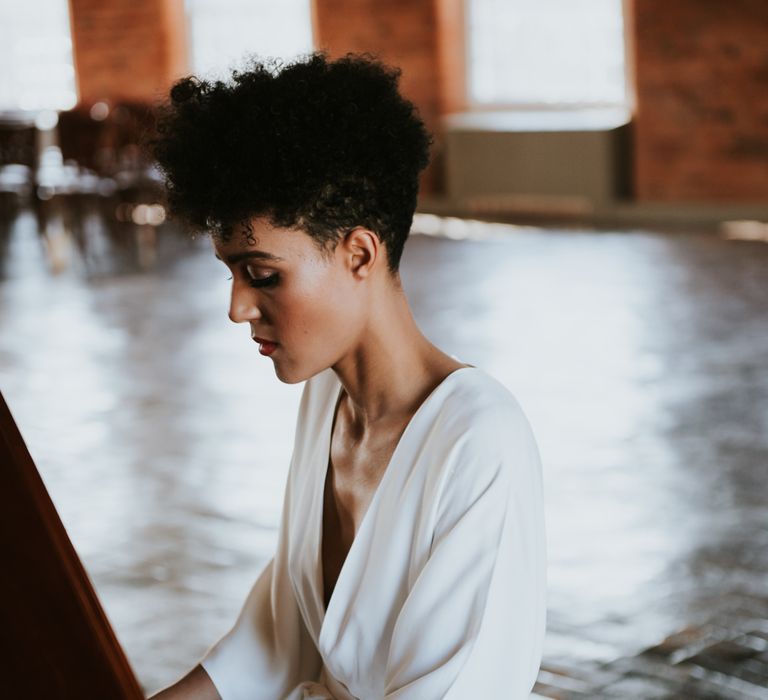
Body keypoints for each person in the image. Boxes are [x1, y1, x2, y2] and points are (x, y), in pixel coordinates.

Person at [147, 51, 546, 700]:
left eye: (263, 274)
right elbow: (275, 644)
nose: (237, 307)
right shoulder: (325, 397)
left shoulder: (479, 443)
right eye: (231, 273)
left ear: (359, 252)